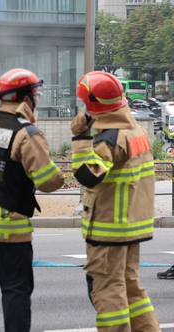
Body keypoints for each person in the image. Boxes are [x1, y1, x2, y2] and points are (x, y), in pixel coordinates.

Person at [0, 68, 64, 332]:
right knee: (16, 291)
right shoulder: (27, 133)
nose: (36, 99)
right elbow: (48, 181)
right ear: (26, 98)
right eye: (35, 94)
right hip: (8, 228)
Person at [72, 71, 159, 331]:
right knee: (131, 288)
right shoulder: (135, 129)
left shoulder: (110, 138)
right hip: (131, 227)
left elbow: (87, 175)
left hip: (110, 230)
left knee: (108, 291)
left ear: (93, 105)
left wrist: (80, 137)